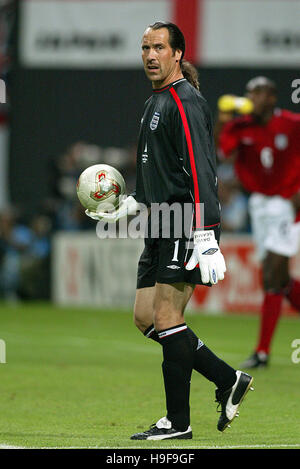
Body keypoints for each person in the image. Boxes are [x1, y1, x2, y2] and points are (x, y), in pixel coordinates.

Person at [86, 21, 253, 440]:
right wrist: (131, 203)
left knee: (166, 317)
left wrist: (205, 235)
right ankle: (227, 378)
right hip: (158, 221)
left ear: (178, 53)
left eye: (159, 47)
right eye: (145, 47)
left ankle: (178, 424)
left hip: (184, 221)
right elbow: (158, 167)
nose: (150, 55)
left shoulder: (186, 102)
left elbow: (201, 170)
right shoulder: (155, 102)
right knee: (146, 318)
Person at [215, 76, 300, 368]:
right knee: (277, 281)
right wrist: (223, 119)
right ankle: (262, 352)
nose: (253, 96)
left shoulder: (291, 123)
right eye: (250, 91)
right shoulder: (240, 126)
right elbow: (222, 152)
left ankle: (262, 352)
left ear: (272, 97)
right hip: (259, 205)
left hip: (288, 204)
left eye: (259, 92)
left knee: (273, 273)